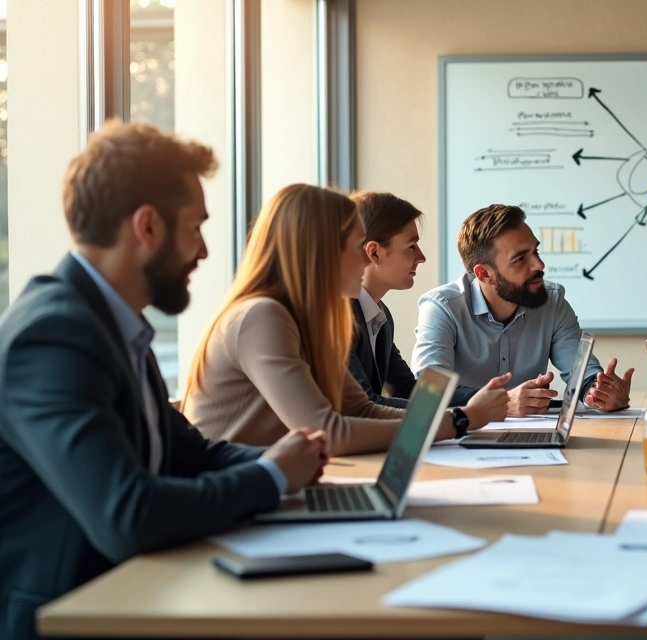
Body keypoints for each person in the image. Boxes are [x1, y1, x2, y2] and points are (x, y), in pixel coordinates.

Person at [0, 121, 328, 640]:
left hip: (137, 591)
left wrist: (296, 463)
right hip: (75, 614)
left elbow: (189, 455)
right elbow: (127, 514)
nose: (203, 252)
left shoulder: (112, 323)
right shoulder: (54, 335)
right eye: (195, 228)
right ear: (147, 226)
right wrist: (271, 478)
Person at [181, 184, 508, 456]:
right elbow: (329, 432)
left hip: (278, 488)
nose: (364, 259)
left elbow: (361, 409)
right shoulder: (261, 316)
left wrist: (459, 417)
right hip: (241, 503)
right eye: (356, 247)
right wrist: (460, 420)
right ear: (320, 252)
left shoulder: (308, 320)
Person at [413, 204, 633, 416]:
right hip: (459, 439)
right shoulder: (442, 307)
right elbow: (429, 392)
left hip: (529, 436)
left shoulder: (552, 301)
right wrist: (503, 402)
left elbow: (581, 373)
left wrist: (600, 392)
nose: (539, 265)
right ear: (484, 274)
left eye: (535, 251)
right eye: (520, 259)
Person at [348, 190, 484, 410]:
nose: (421, 257)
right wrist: (463, 417)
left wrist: (489, 397)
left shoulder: (380, 315)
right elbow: (364, 405)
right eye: (411, 246)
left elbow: (408, 390)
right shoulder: (339, 317)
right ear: (374, 253)